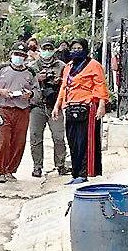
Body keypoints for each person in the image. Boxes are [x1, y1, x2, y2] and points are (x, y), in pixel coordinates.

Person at [52, 38, 109, 184]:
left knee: (84, 141)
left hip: (88, 108)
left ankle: (84, 174)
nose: (76, 51)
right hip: (70, 107)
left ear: (85, 49)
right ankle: (75, 173)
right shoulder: (69, 66)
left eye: (79, 48)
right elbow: (64, 88)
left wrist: (101, 105)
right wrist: (57, 106)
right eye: (74, 48)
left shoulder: (94, 65)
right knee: (72, 141)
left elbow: (100, 86)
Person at [0, 42, 37, 184]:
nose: (19, 57)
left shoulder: (30, 73)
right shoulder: (1, 69)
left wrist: (29, 94)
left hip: (22, 110)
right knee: (4, 140)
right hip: (4, 108)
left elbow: (37, 91)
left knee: (19, 142)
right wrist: (1, 91)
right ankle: (1, 170)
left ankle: (11, 170)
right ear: (11, 55)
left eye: (22, 55)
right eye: (16, 54)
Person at [28, 39, 69, 177]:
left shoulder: (62, 66)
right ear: (40, 49)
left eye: (49, 49)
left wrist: (58, 81)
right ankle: (37, 166)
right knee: (35, 137)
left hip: (55, 106)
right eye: (44, 48)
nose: (47, 51)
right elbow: (26, 85)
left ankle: (61, 165)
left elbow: (68, 83)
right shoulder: (33, 66)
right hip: (37, 106)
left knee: (58, 137)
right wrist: (37, 79)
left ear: (54, 50)